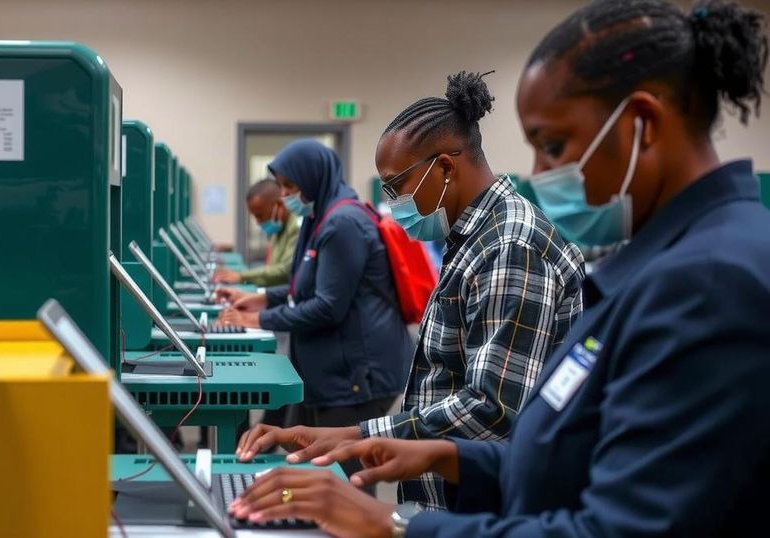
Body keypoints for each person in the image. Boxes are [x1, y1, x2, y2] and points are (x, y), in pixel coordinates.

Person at [229, 0, 770, 535]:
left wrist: (394, 524)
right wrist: (398, 445)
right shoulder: (666, 259)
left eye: (553, 146)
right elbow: (564, 451)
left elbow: (610, 519)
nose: (539, 171)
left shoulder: (709, 281)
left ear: (643, 125)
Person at [235, 72, 586, 512]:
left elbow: (492, 411)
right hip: (456, 494)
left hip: (486, 505)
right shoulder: (475, 235)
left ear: (443, 168)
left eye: (395, 185)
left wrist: (360, 436)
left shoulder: (509, 246)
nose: (392, 201)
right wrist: (358, 436)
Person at [217, 140, 414, 478]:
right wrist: (263, 298)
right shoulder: (320, 218)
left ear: (314, 178)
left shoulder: (343, 224)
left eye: (290, 186)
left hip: (357, 379)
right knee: (310, 468)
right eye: (281, 186)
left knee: (344, 480)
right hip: (333, 373)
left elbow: (327, 307)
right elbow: (304, 287)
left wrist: (257, 319)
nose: (284, 195)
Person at [212, 178, 299, 286]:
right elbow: (271, 272)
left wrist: (242, 276)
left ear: (278, 205)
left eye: (259, 215)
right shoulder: (279, 227)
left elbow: (284, 270)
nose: (258, 222)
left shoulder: (296, 227)